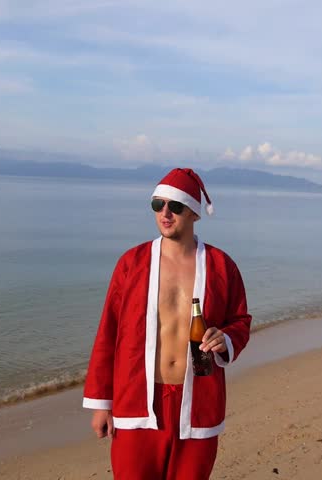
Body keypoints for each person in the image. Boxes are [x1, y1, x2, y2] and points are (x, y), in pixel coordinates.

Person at [83, 167, 252, 479]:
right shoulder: (131, 264)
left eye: (175, 206)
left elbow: (241, 320)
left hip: (197, 401)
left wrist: (225, 338)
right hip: (138, 401)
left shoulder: (220, 266)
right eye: (157, 205)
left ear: (194, 214)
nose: (165, 214)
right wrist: (101, 404)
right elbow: (108, 332)